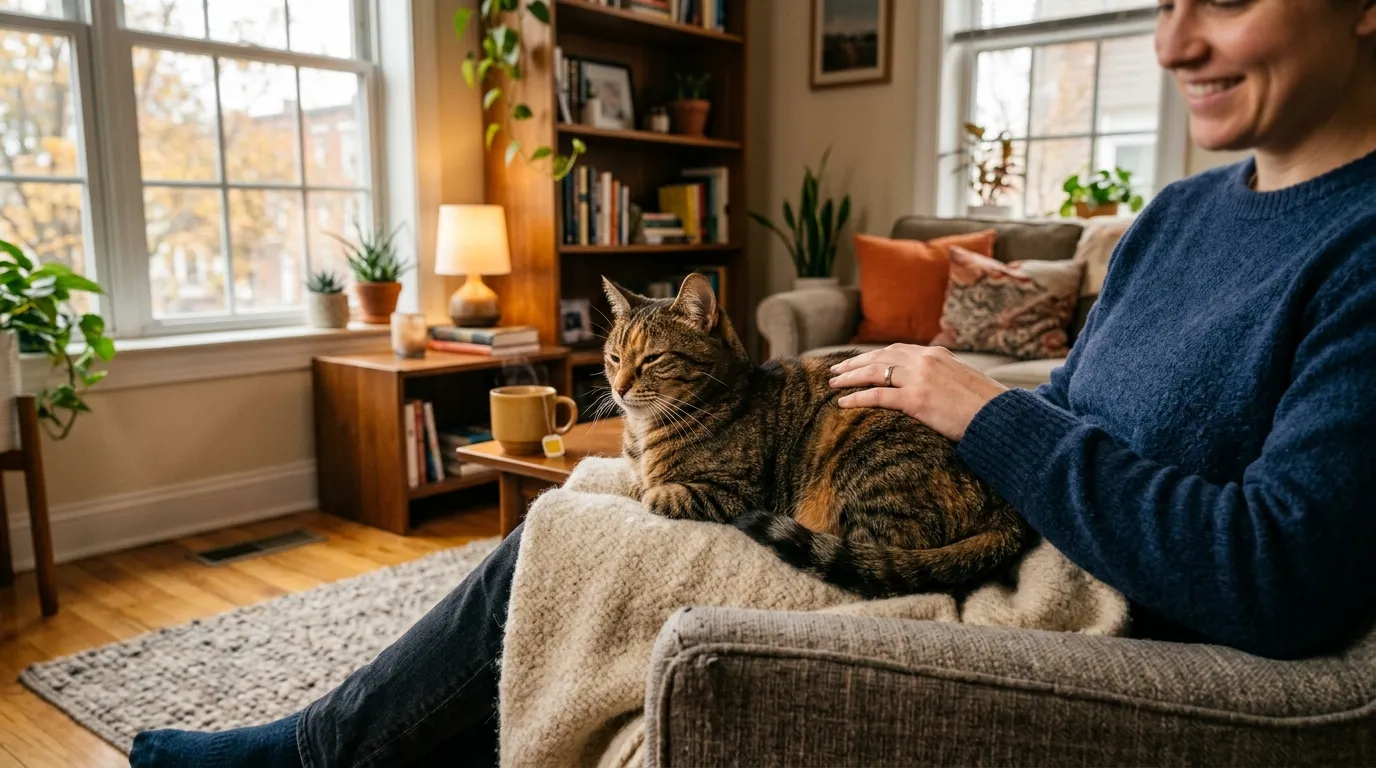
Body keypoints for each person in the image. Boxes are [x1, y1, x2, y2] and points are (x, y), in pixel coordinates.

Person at [130, 0, 1376, 765]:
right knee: (615, 480)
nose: (1169, 42)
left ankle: (312, 756)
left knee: (567, 534)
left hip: (1059, 596)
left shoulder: (1360, 246)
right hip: (1016, 514)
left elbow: (1271, 575)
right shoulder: (1180, 213)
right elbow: (1090, 397)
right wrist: (924, 384)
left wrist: (988, 415)